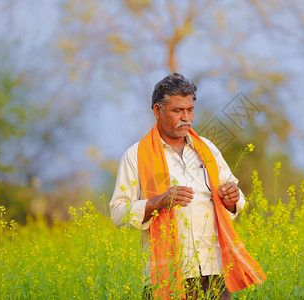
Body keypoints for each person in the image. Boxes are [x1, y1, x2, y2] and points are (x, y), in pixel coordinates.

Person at [110, 73, 266, 299]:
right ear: (157, 111)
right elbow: (117, 213)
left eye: (190, 110)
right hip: (167, 275)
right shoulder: (135, 156)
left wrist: (231, 198)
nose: (186, 118)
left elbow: (235, 200)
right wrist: (159, 202)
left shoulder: (208, 149)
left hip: (215, 271)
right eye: (177, 111)